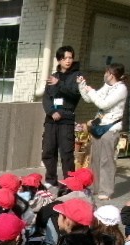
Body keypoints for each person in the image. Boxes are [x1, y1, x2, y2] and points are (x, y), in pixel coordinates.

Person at [77, 63, 128, 200]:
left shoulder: (121, 89)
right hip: (99, 127)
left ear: (111, 74)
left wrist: (92, 91)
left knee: (107, 160)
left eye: (106, 72)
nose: (104, 75)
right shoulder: (107, 86)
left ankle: (106, 191)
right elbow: (89, 99)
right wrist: (82, 85)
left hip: (111, 128)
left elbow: (103, 104)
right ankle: (96, 188)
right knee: (96, 160)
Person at [41, 46, 82, 186]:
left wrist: (59, 84)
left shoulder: (77, 76)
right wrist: (52, 112)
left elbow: (75, 94)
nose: (68, 61)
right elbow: (46, 98)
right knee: (48, 150)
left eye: (70, 57)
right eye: (65, 58)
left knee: (66, 153)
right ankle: (50, 179)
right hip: (51, 119)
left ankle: (69, 182)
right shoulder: (54, 76)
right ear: (59, 60)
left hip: (66, 118)